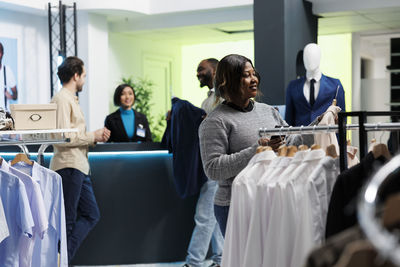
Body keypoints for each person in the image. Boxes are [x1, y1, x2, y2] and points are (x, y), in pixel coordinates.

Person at [199, 54, 307, 236]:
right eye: (246, 75)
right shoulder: (215, 121)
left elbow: (291, 141)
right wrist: (257, 150)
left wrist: (318, 127)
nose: (254, 79)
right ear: (229, 81)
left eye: (254, 73)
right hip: (234, 205)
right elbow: (213, 169)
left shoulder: (268, 111)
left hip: (269, 200)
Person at [50, 56, 110, 262]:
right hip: (68, 166)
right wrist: (92, 135)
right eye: (83, 75)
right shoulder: (61, 99)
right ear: (75, 76)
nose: (84, 80)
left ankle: (61, 259)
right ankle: (59, 261)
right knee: (66, 221)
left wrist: (93, 138)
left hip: (79, 167)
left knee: (91, 214)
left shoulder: (70, 99)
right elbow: (62, 138)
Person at [182, 58, 224, 267]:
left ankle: (194, 262)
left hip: (217, 166)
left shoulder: (222, 98)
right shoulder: (208, 99)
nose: (198, 74)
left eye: (201, 70)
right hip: (210, 165)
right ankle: (221, 259)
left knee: (204, 216)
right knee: (213, 217)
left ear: (215, 71)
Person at [285, 43, 345, 126]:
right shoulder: (293, 86)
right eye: (306, 56)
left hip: (326, 135)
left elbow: (342, 118)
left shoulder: (335, 85)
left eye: (314, 56)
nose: (309, 60)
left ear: (319, 57)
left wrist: (342, 138)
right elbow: (288, 120)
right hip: (301, 136)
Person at [0, 42, 17, 111]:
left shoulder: (7, 70)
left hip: (3, 116)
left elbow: (15, 95)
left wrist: (11, 96)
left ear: (2, 54)